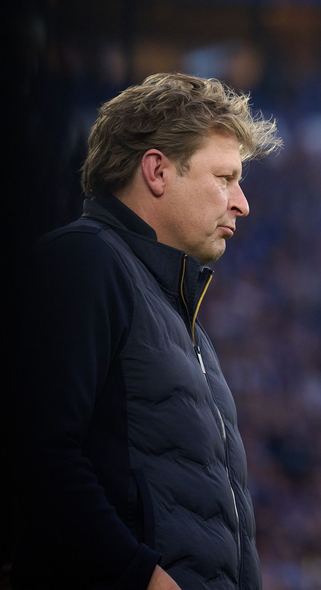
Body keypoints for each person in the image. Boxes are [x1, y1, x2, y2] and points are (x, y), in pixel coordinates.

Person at [11, 73, 281, 590]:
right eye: (225, 178)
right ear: (157, 170)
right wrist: (142, 576)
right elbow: (37, 452)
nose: (242, 202)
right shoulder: (84, 260)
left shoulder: (179, 315)